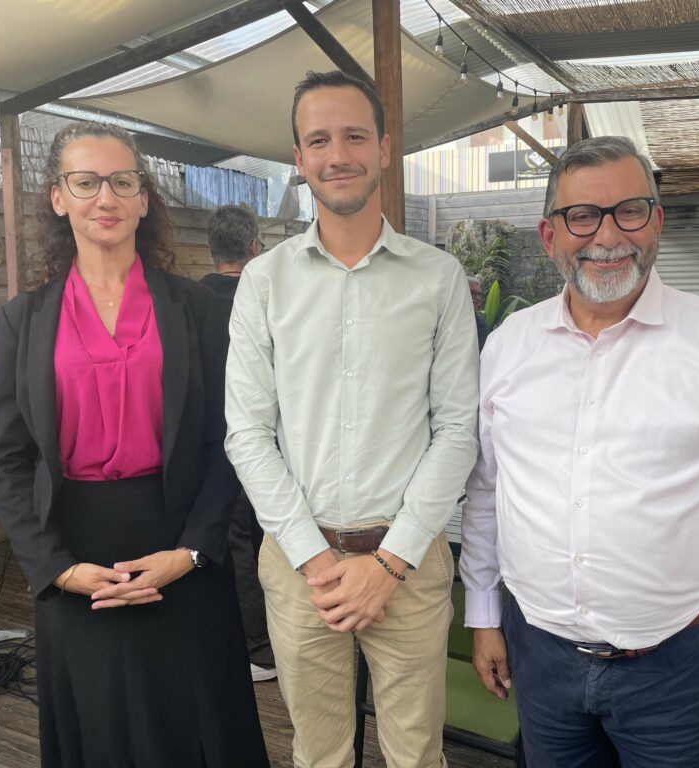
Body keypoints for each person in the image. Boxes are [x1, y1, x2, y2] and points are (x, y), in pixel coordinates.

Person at [462, 136, 699, 768]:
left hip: (683, 668)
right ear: (550, 236)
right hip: (540, 657)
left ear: (656, 220)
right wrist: (486, 615)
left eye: (629, 210)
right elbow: (489, 491)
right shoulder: (509, 346)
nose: (608, 235)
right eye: (582, 216)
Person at [0, 122, 269, 768]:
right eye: (84, 182)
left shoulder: (197, 310)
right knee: (100, 737)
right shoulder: (22, 321)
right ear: (58, 198)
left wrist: (193, 551)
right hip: (75, 558)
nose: (103, 197)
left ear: (144, 199)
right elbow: (3, 458)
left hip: (181, 556)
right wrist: (55, 568)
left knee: (197, 735)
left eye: (121, 181)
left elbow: (234, 437)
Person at [225, 70, 479, 768]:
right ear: (300, 158)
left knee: (416, 756)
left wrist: (387, 563)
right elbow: (247, 433)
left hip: (410, 562)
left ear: (385, 147)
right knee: (320, 755)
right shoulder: (263, 281)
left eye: (354, 136)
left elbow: (459, 427)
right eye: (319, 140)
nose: (338, 154)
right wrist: (315, 558)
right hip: (300, 565)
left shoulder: (438, 278)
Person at [200, 203, 277, 682]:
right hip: (266, 441)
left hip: (208, 443)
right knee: (266, 537)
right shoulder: (268, 296)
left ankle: (250, 641)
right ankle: (264, 649)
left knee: (232, 542)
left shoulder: (189, 301)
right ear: (253, 248)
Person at [468, 275, 489, 350]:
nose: (478, 298)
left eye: (479, 294)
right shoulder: (441, 318)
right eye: (472, 293)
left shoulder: (479, 323)